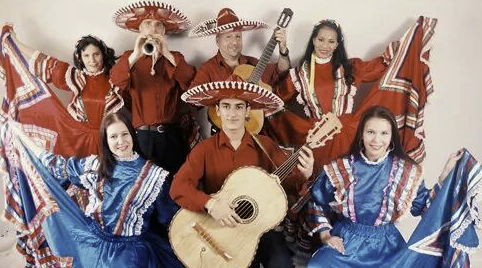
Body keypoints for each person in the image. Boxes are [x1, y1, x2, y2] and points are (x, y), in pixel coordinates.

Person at [6, 111, 183, 267]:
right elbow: (55, 165)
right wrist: (23, 138)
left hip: (130, 256)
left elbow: (170, 219)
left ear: (133, 135)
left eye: (124, 134)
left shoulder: (155, 176)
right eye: (113, 137)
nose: (120, 141)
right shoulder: (95, 165)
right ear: (105, 140)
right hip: (92, 245)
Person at [170, 79, 315, 268]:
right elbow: (178, 187)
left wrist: (305, 174)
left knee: (282, 263)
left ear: (248, 111)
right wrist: (211, 204)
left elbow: (287, 187)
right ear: (218, 110)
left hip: (257, 228)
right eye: (226, 106)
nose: (232, 114)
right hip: (216, 226)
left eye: (239, 107)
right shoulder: (204, 150)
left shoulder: (265, 145)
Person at [306, 105, 462, 268]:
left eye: (384, 133)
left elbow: (425, 208)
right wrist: (325, 236)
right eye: (370, 132)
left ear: (392, 137)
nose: (376, 140)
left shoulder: (406, 171)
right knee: (317, 265)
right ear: (361, 134)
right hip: (347, 242)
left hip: (388, 246)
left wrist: (443, 178)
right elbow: (317, 201)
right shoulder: (342, 167)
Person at [4, 25, 123, 155]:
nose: (92, 60)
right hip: (79, 140)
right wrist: (15, 43)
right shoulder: (76, 78)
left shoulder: (115, 78)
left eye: (96, 54)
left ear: (103, 55)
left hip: (110, 140)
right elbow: (44, 60)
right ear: (80, 58)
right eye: (86, 56)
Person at [110, 1, 196, 174]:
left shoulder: (175, 58)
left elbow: (192, 83)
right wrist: (136, 54)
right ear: (140, 31)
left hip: (171, 137)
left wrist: (167, 54)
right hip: (142, 138)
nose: (153, 29)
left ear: (164, 32)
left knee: (173, 188)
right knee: (143, 190)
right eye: (147, 24)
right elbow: (116, 81)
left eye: (158, 25)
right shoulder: (129, 58)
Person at [188, 7, 291, 135]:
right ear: (217, 41)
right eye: (228, 37)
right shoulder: (208, 68)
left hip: (253, 129)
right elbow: (193, 101)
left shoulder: (253, 63)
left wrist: (283, 50)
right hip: (222, 132)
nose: (234, 42)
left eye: (238, 36)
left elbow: (281, 71)